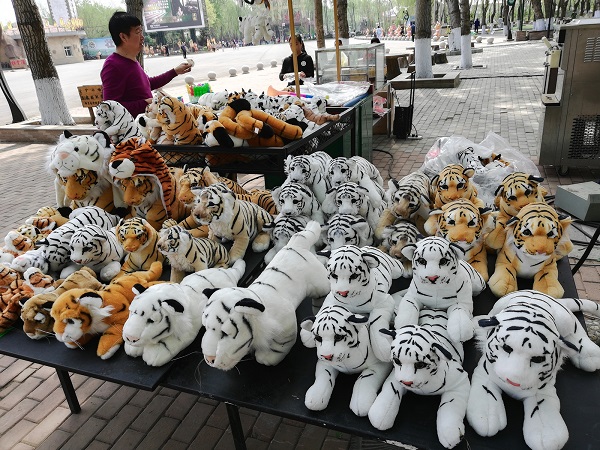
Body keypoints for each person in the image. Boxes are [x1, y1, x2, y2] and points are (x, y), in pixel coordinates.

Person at [101, 12, 192, 118]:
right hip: (132, 131)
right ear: (123, 37)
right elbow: (110, 108)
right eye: (138, 32)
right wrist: (146, 103)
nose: (142, 37)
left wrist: (175, 72)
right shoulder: (112, 66)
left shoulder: (131, 60)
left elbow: (147, 84)